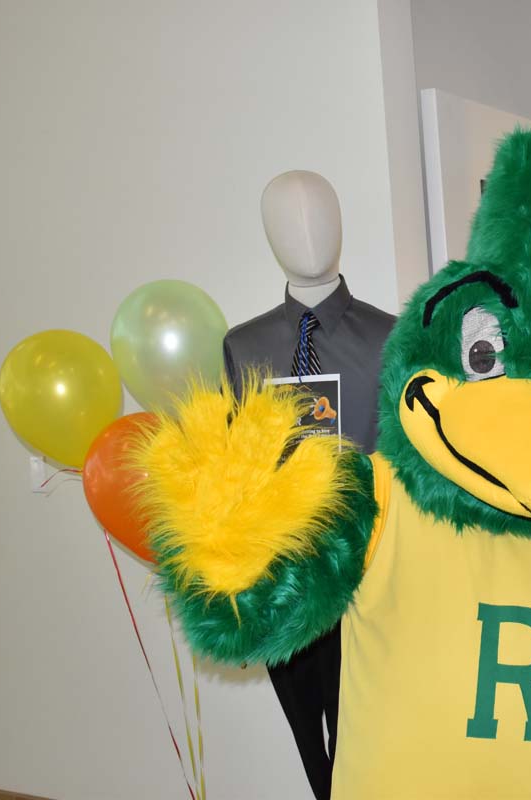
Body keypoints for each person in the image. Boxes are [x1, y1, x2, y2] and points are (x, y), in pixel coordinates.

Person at [223, 170, 394, 800]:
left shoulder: (393, 335)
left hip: (371, 572)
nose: (306, 235)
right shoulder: (244, 345)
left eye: (320, 216)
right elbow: (240, 468)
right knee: (310, 747)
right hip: (285, 576)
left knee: (365, 736)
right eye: (286, 220)